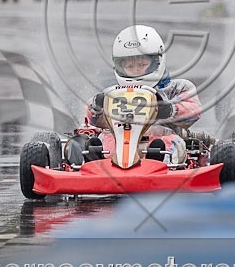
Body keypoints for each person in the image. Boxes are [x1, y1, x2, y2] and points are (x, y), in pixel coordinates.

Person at [79, 24, 201, 165]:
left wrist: (169, 109)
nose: (136, 70)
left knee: (167, 144)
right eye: (130, 66)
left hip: (162, 138)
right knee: (104, 140)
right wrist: (96, 105)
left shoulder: (177, 88)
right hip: (120, 138)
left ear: (157, 61)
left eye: (142, 64)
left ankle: (157, 163)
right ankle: (97, 164)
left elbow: (194, 110)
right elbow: (91, 117)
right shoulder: (114, 93)